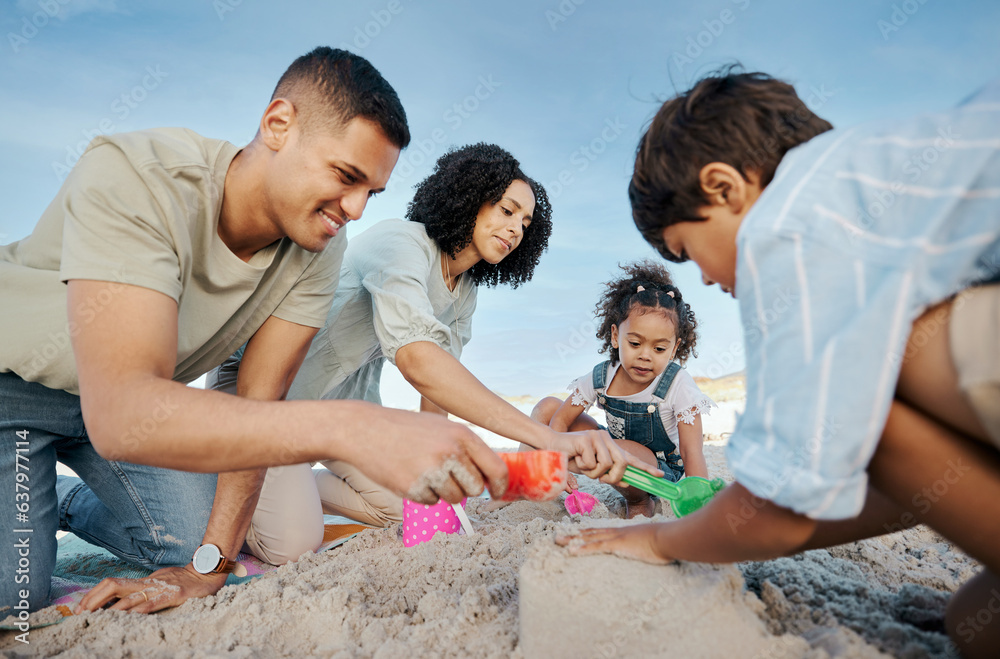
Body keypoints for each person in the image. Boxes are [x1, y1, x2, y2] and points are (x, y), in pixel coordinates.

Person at [0, 46, 511, 616]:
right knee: (14, 595)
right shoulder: (137, 175)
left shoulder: (321, 244)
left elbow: (259, 397)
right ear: (278, 125)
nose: (358, 208)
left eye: (372, 190)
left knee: (210, 540)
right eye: (346, 176)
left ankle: (64, 499)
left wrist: (206, 569)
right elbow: (122, 412)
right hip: (17, 391)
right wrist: (350, 428)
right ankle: (38, 487)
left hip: (137, 416)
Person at [557, 69, 1000, 658]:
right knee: (976, 624)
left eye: (690, 253)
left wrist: (663, 541)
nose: (709, 280)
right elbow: (897, 494)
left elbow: (785, 506)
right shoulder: (870, 181)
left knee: (868, 386)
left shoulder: (786, 224)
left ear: (724, 188)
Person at [209, 144, 657, 564]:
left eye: (525, 222)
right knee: (291, 545)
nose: (516, 229)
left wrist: (445, 472)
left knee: (405, 505)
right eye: (506, 210)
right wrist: (551, 440)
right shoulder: (400, 243)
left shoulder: (463, 293)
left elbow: (438, 396)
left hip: (336, 414)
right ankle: (256, 485)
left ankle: (293, 485)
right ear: (468, 198)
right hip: (264, 396)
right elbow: (420, 362)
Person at [532, 260, 714, 518]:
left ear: (674, 349)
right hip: (613, 448)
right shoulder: (602, 376)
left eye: (659, 349)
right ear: (616, 336)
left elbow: (691, 451)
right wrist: (556, 463)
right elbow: (560, 420)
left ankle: (640, 503)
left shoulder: (678, 384)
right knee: (548, 407)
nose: (645, 356)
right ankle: (530, 478)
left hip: (658, 470)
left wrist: (699, 498)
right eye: (636, 343)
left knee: (617, 451)